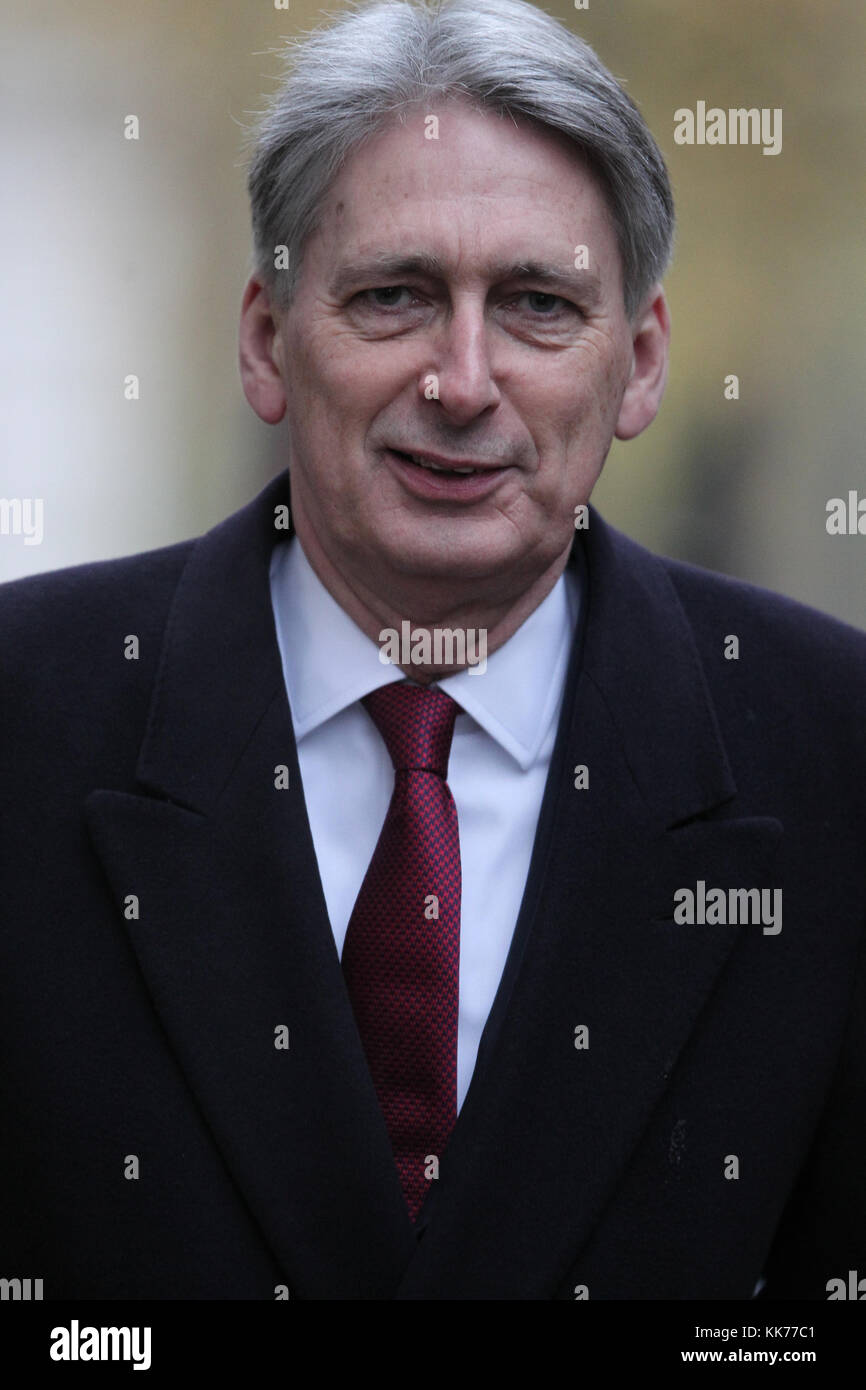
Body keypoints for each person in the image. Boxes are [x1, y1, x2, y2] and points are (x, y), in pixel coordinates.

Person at [1, 0, 864, 1301]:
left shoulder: (833, 752)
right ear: (263, 340)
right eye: (394, 295)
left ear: (636, 366)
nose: (462, 381)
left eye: (535, 304)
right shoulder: (25, 717)